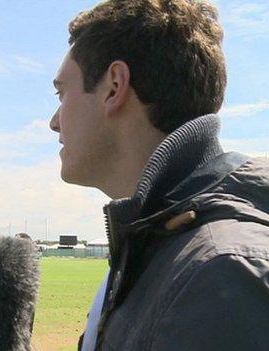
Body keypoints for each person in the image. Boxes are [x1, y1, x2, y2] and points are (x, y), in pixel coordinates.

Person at [48, 1, 269, 350]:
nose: (54, 122)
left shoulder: (219, 271)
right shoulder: (164, 243)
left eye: (61, 93)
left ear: (114, 86)